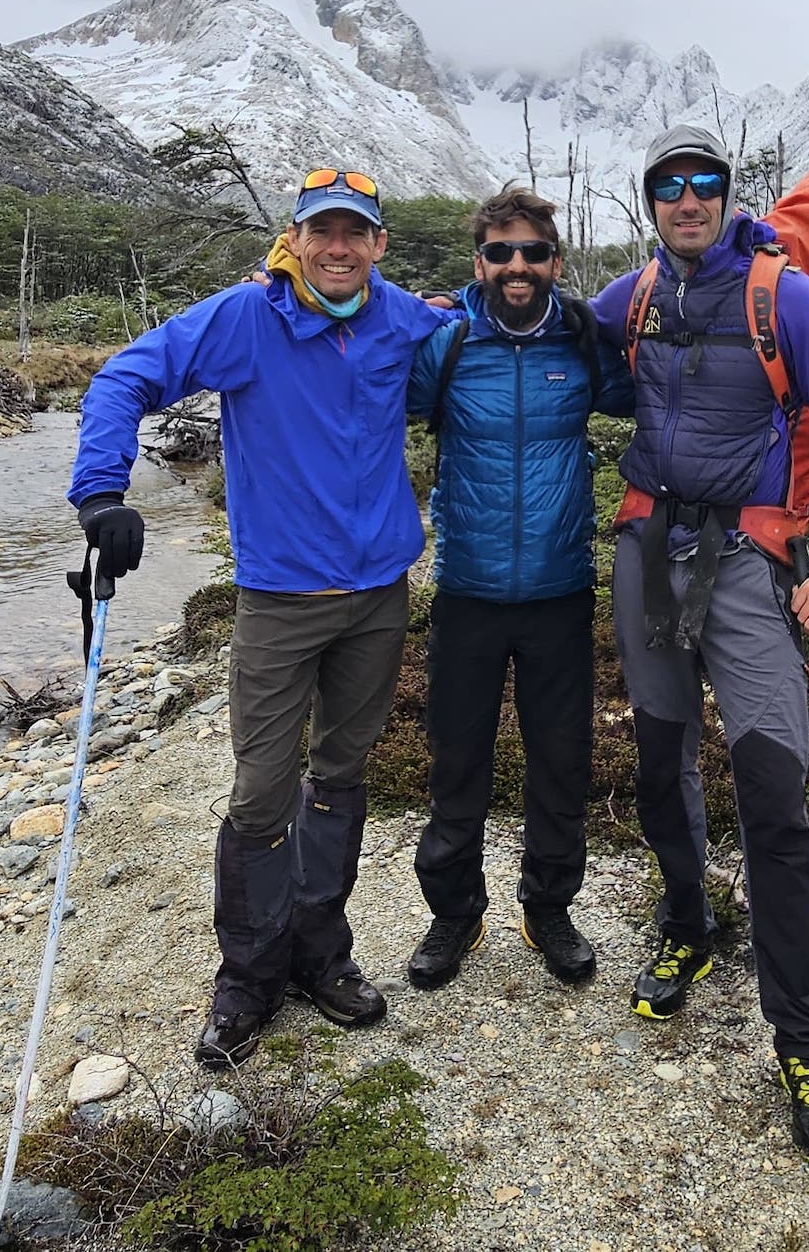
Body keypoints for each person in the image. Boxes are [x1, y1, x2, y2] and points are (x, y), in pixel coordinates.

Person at [66, 167, 453, 1071]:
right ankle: (246, 975)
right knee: (260, 789)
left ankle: (320, 952)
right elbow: (125, 376)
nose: (340, 248)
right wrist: (99, 495)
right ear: (296, 237)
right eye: (323, 231)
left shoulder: (403, 317)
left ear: (379, 246)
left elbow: (493, 329)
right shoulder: (248, 317)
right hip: (280, 599)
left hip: (378, 594)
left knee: (341, 773)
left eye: (357, 233)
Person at [587, 125, 809, 1166]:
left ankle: (806, 1043)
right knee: (662, 762)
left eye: (703, 185)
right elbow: (528, 327)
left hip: (753, 570)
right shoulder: (631, 299)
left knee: (772, 791)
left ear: (726, 196)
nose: (687, 200)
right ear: (650, 201)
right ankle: (689, 924)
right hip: (648, 552)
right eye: (669, 187)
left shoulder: (783, 298)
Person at [400, 185, 632, 991]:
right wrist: (275, 290)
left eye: (532, 251)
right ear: (480, 263)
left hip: (560, 589)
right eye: (501, 252)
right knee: (456, 762)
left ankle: (549, 909)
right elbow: (372, 394)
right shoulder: (450, 343)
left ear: (555, 262)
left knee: (560, 762)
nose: (518, 265)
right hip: (466, 587)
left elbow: (653, 397)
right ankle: (455, 914)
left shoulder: (582, 338)